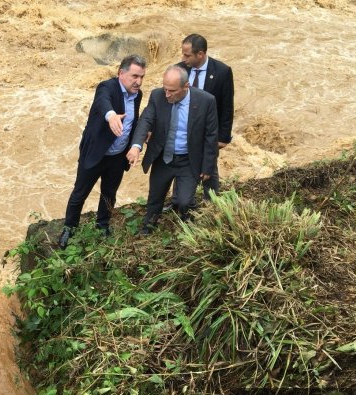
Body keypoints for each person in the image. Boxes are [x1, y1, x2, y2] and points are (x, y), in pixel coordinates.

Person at [58, 55, 146, 249]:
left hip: (117, 156)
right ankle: (69, 228)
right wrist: (111, 115)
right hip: (96, 152)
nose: (138, 82)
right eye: (134, 76)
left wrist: (136, 144)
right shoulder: (107, 87)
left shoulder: (137, 95)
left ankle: (102, 225)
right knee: (80, 192)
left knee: (109, 193)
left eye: (141, 77)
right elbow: (103, 102)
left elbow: (135, 120)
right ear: (121, 73)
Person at [126, 65, 218, 233]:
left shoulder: (206, 101)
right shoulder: (157, 95)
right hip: (164, 158)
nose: (167, 94)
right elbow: (145, 120)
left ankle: (187, 224)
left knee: (184, 201)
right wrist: (136, 146)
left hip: (188, 161)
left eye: (172, 91)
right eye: (165, 89)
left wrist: (207, 167)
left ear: (186, 86)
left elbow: (211, 137)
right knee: (155, 196)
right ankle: (149, 224)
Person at [164, 33, 234, 211]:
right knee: (181, 164)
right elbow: (168, 99)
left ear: (200, 54)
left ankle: (212, 206)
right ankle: (178, 202)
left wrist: (223, 137)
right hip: (182, 130)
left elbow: (227, 106)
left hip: (208, 131)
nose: (183, 58)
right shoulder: (179, 70)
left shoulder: (222, 72)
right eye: (183, 54)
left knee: (209, 167)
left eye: (187, 55)